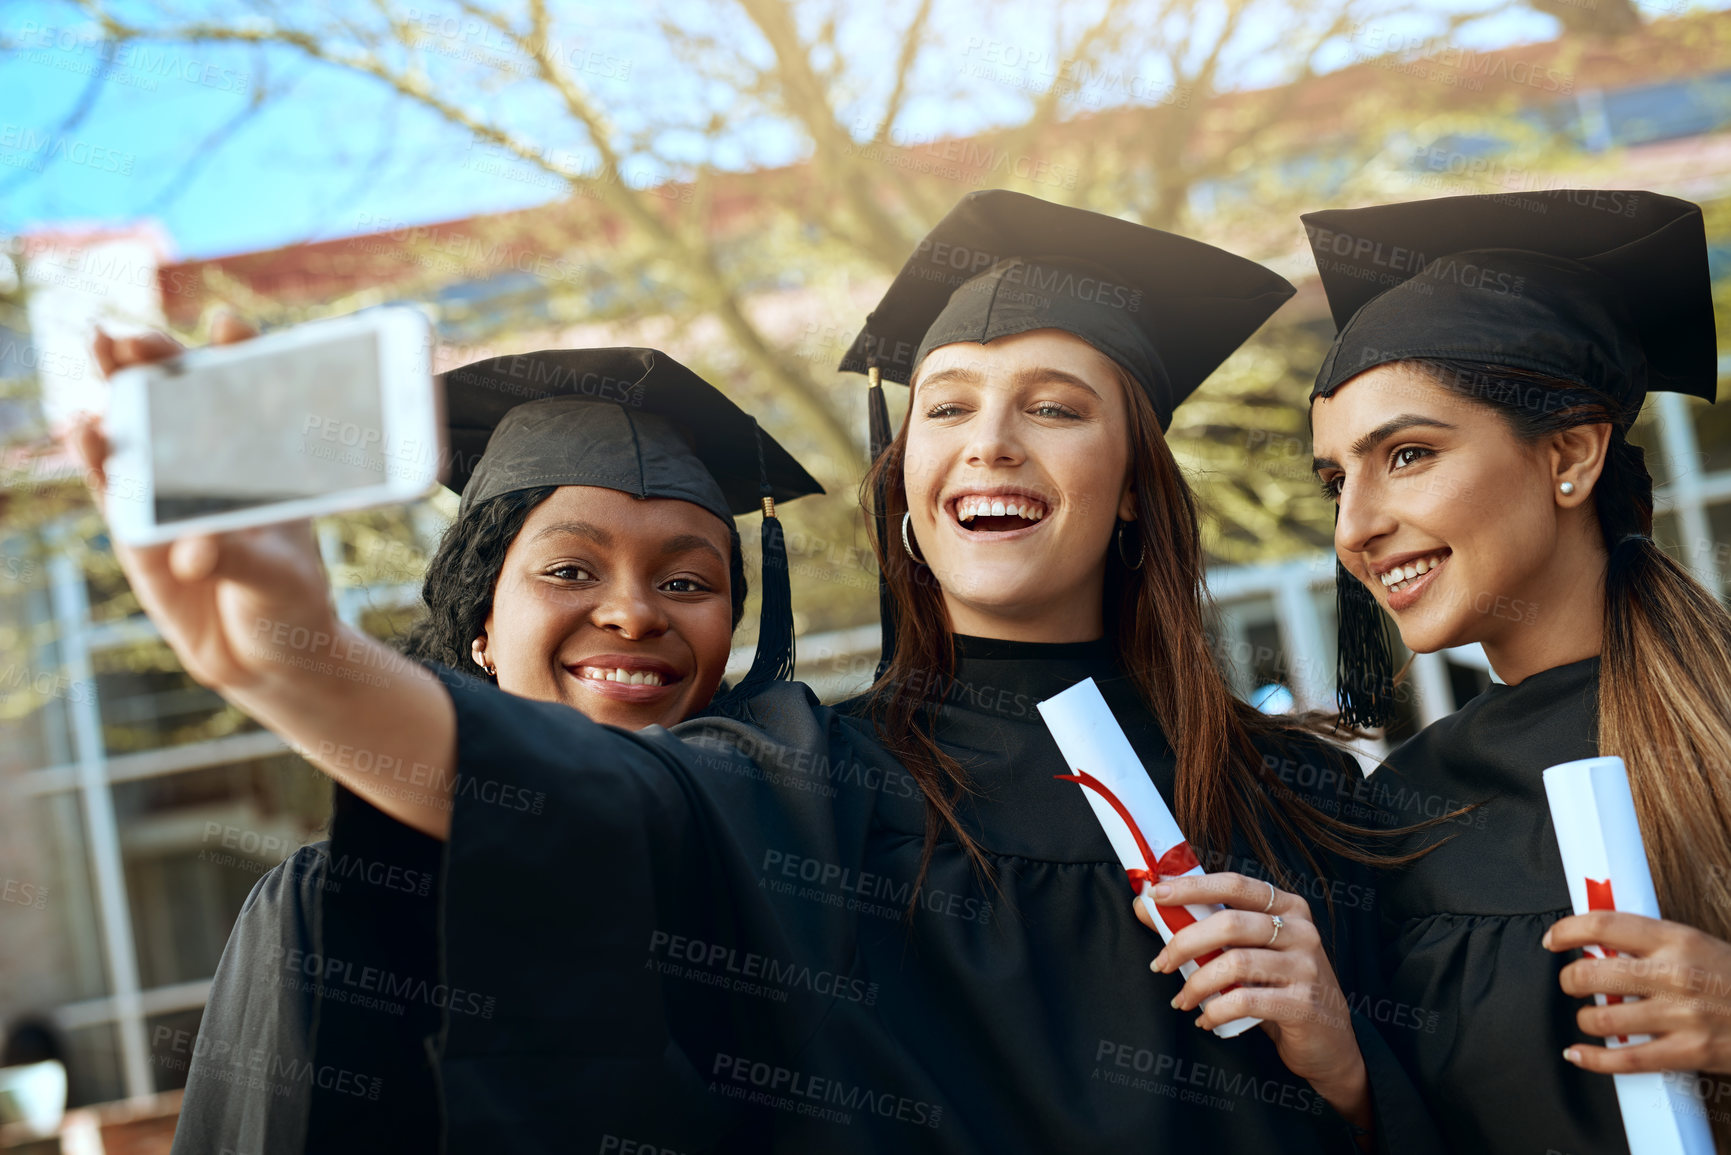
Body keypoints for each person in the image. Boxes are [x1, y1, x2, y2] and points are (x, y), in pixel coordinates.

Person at [72, 192, 1438, 1153]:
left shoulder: (1316, 801)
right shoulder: (791, 782)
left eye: (1056, 405)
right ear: (901, 484)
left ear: (1131, 484)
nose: (988, 439)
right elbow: (560, 796)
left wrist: (1350, 1071)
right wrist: (293, 655)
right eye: (946, 401)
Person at [136, 330, 821, 1155]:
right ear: (481, 624)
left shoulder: (791, 873)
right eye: (570, 570)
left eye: (686, 582)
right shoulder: (333, 906)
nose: (635, 614)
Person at [1306, 189, 1731, 1154]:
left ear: (1569, 455)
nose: (1353, 526)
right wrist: (1344, 1072)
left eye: (1405, 454)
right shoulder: (1397, 817)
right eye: (1336, 480)